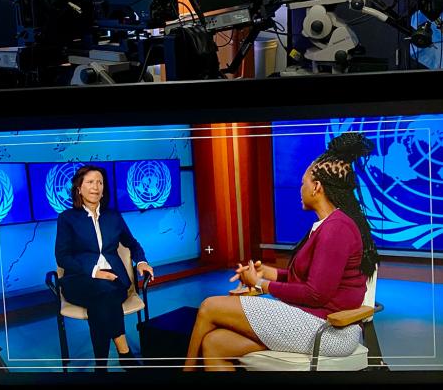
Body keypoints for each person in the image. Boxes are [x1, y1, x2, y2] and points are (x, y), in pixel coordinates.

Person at [183, 132, 380, 371]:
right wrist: (266, 273)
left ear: (317, 187)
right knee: (215, 344)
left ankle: (186, 373)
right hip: (315, 320)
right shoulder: (327, 226)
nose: (300, 189)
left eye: (303, 184)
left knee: (209, 306)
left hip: (329, 330)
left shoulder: (336, 229)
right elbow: (310, 279)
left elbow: (315, 294)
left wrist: (261, 285)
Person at [55, 165, 154, 371]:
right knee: (103, 293)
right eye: (90, 182)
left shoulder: (113, 216)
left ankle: (101, 367)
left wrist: (142, 261)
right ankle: (124, 353)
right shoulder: (67, 218)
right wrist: (93, 271)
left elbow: (132, 243)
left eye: (100, 182)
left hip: (113, 279)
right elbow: (62, 256)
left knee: (103, 296)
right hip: (80, 279)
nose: (96, 187)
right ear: (78, 188)